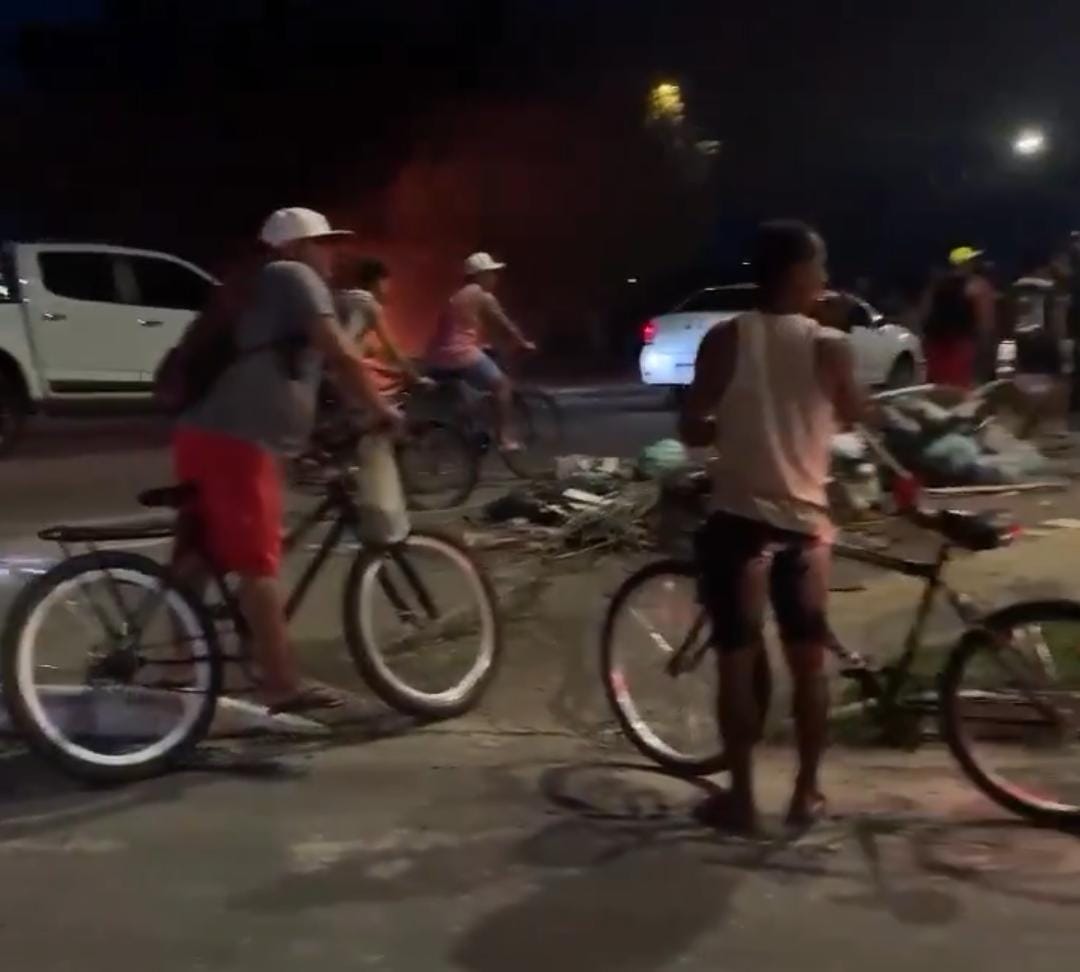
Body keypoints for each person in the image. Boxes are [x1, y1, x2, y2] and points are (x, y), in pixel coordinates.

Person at [174, 207, 403, 713]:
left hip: (203, 432)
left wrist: (313, 434)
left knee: (196, 559)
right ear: (297, 247)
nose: (332, 255)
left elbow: (295, 371)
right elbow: (340, 354)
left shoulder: (257, 286)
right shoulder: (293, 276)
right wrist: (383, 410)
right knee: (258, 564)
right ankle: (280, 683)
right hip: (238, 439)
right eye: (324, 244)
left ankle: (179, 672)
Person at [680, 220, 864, 834]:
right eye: (820, 267)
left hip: (738, 524)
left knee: (735, 663)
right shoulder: (830, 346)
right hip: (805, 530)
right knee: (808, 664)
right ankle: (805, 794)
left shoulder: (724, 339)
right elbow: (857, 416)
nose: (826, 278)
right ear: (796, 275)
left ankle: (741, 800)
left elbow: (690, 427)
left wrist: (734, 428)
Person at [425, 252, 536, 450]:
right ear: (479, 275)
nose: (495, 278)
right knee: (502, 385)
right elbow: (505, 324)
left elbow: (460, 329)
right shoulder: (483, 296)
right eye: (491, 273)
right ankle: (505, 438)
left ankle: (469, 431)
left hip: (437, 357)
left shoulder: (457, 295)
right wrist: (523, 342)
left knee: (468, 394)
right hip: (460, 354)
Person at [922, 246, 997, 389]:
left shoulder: (936, 285)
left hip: (936, 343)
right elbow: (985, 321)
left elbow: (925, 312)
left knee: (937, 385)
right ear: (965, 264)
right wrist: (987, 348)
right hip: (962, 343)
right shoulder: (977, 286)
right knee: (959, 386)